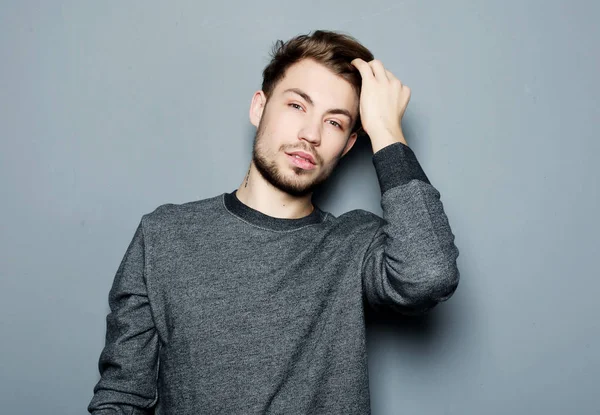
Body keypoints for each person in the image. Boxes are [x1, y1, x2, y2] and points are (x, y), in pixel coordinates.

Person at [88, 29, 460, 415]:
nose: (310, 134)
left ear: (349, 145)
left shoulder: (355, 244)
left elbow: (429, 274)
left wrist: (387, 131)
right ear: (258, 107)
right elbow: (122, 397)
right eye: (297, 106)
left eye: (334, 123)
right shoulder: (164, 235)